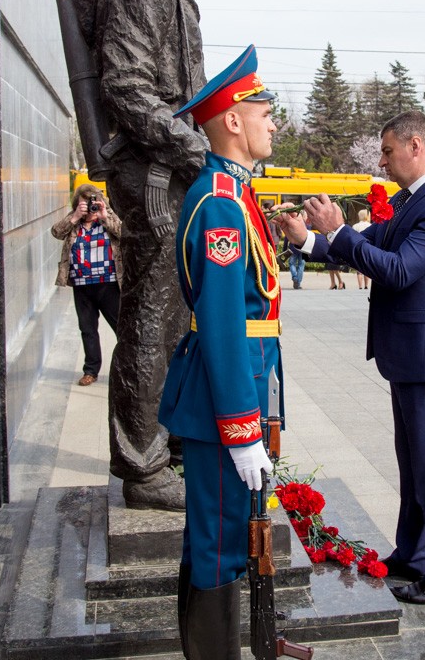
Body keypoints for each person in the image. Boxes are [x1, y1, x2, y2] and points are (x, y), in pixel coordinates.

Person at [277, 111, 425, 606]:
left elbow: (400, 270)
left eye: (387, 151)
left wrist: (338, 230)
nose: (382, 162)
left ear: (415, 145)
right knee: (416, 464)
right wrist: (309, 239)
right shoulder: (415, 199)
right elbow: (367, 247)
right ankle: (415, 554)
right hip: (411, 354)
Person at [73, 0, 212, 509]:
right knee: (151, 319)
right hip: (156, 175)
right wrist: (193, 146)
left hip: (167, 169)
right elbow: (127, 87)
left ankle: (166, 442)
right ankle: (142, 464)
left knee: (173, 315)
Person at [158, 46, 283, 658]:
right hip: (222, 402)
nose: (273, 123)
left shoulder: (234, 194)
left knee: (221, 535)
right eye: (265, 112)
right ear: (233, 120)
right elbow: (224, 324)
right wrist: (242, 430)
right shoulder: (220, 205)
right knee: (219, 543)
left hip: (239, 392)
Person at [51, 183, 123, 385]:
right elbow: (56, 232)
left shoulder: (107, 218)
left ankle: (126, 369)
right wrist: (75, 216)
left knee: (121, 328)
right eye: (85, 205)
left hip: (108, 285)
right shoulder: (74, 221)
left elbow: (124, 233)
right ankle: (90, 371)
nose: (90, 209)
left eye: (93, 203)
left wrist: (104, 216)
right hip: (82, 286)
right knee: (87, 329)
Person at [352, 209, 374, 289]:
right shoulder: (370, 225)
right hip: (368, 248)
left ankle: (360, 286)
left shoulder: (355, 226)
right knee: (367, 268)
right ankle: (366, 285)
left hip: (357, 248)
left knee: (359, 269)